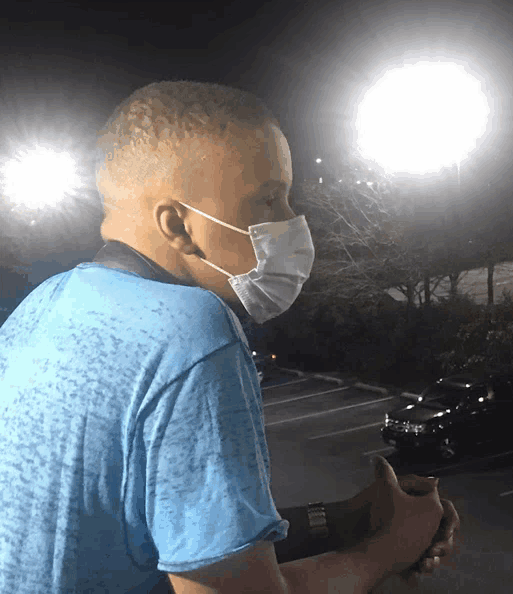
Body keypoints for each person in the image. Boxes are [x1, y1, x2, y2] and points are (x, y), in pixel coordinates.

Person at [0, 80, 460, 593]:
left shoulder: (39, 309)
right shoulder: (193, 333)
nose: (292, 223)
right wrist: (389, 549)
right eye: (267, 201)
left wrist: (345, 520)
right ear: (177, 224)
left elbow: (172, 541)